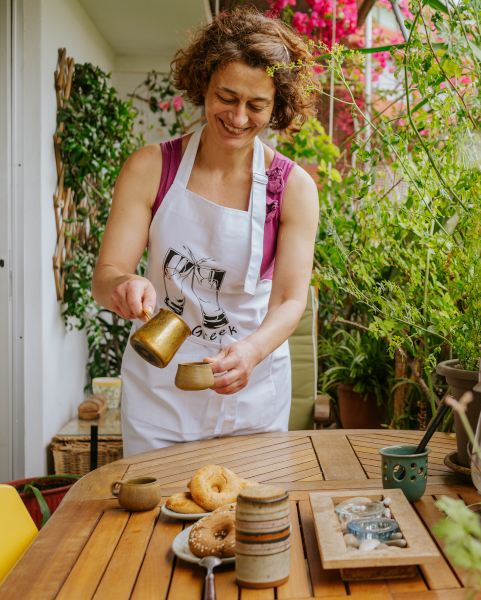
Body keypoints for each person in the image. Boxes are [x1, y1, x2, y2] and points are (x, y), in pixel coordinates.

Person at [92, 7, 320, 456]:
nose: (238, 117)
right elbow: (106, 273)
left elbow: (290, 300)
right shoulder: (149, 168)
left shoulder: (293, 188)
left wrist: (252, 352)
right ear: (203, 84)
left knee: (251, 502)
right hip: (159, 391)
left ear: (277, 106)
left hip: (252, 392)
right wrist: (123, 284)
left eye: (256, 105)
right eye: (226, 97)